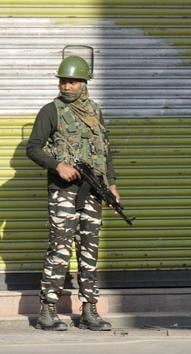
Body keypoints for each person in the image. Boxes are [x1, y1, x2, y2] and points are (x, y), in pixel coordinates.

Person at [26, 51, 119, 331]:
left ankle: (90, 310)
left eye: (73, 82)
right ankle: (47, 310)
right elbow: (33, 148)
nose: (66, 86)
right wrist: (58, 166)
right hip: (63, 192)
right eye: (63, 81)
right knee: (60, 250)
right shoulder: (50, 111)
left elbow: (105, 152)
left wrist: (112, 185)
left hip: (92, 191)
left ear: (85, 83)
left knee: (89, 252)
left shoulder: (95, 111)